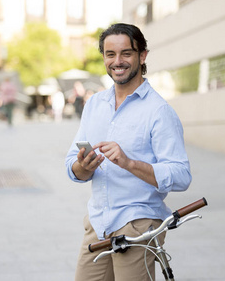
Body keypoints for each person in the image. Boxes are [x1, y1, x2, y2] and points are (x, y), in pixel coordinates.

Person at [65, 23, 192, 280]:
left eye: (126, 53)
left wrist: (128, 162)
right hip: (98, 223)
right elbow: (72, 166)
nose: (117, 61)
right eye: (110, 54)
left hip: (137, 225)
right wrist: (83, 166)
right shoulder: (94, 104)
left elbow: (181, 175)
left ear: (142, 56)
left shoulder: (159, 111)